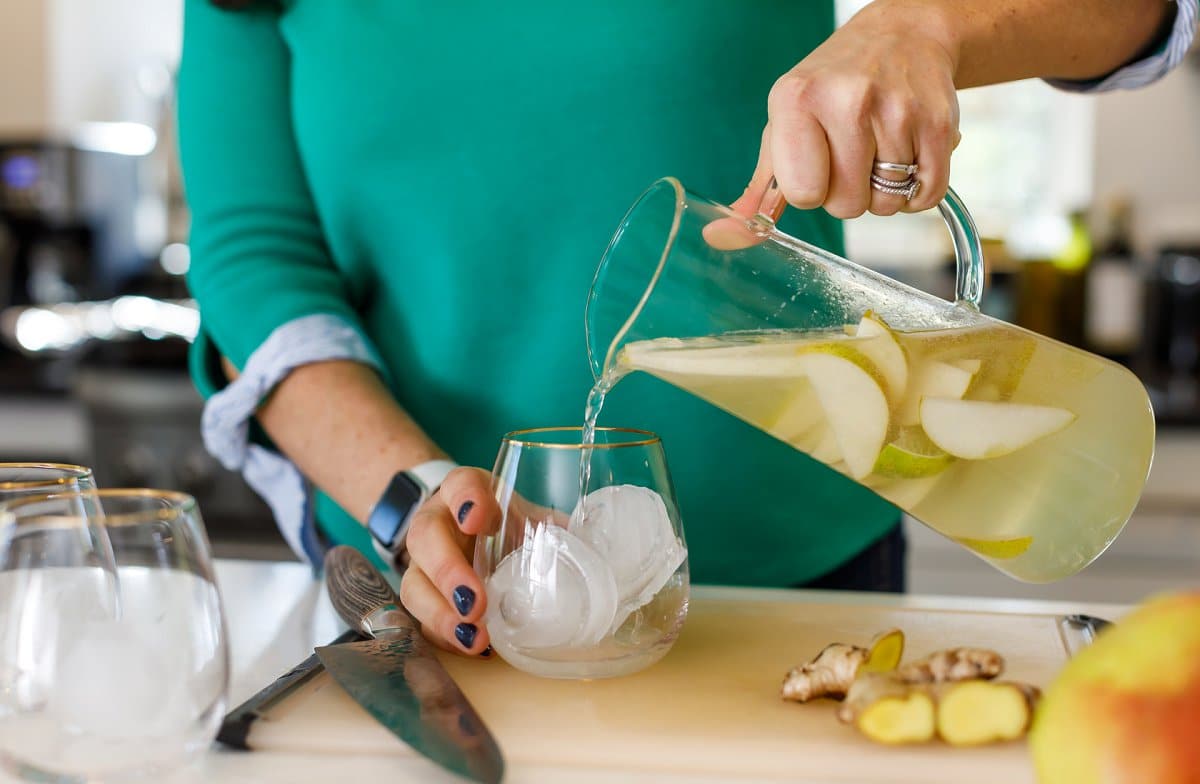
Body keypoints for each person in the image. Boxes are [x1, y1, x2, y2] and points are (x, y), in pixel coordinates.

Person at [179, 0, 1197, 656]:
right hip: (443, 596)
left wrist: (928, 25)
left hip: (800, 577)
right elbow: (254, 262)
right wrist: (409, 494)